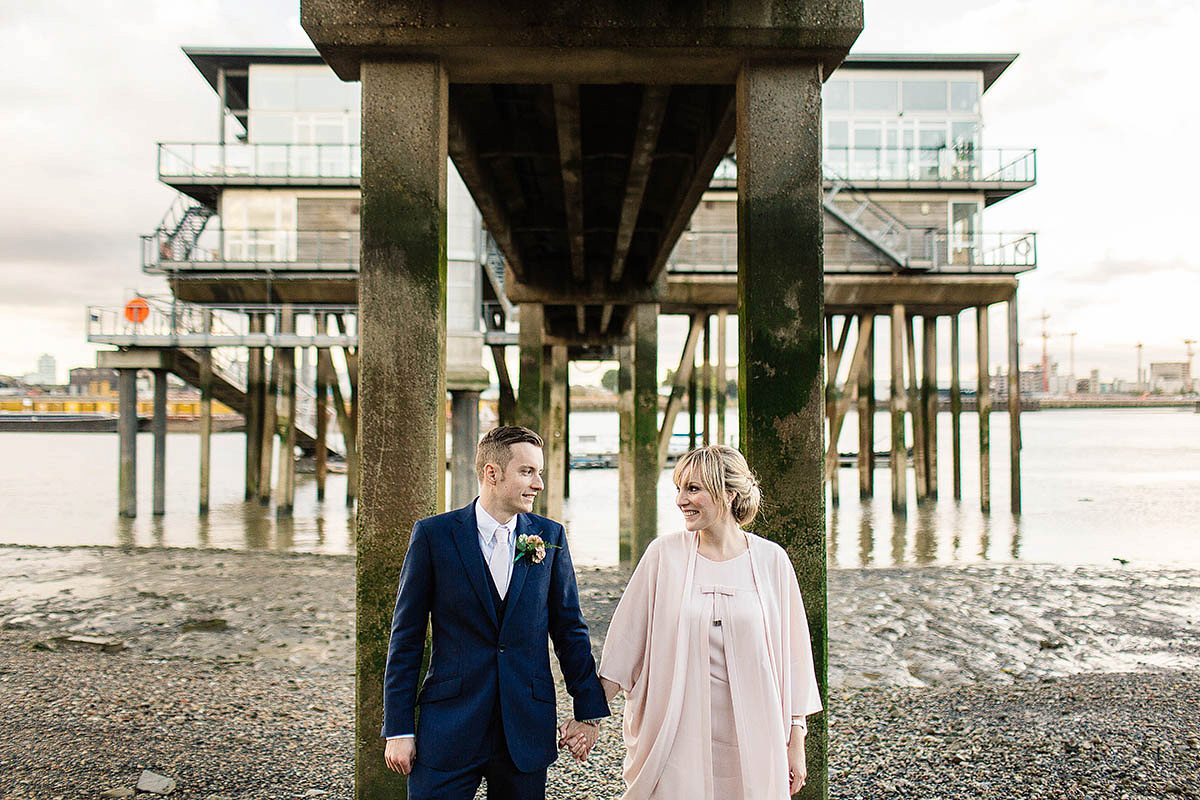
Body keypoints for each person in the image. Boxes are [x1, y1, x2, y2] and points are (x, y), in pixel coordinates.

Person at [381, 425, 610, 799]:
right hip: (449, 726)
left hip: (525, 726)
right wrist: (399, 729)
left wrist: (587, 712)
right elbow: (405, 639)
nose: (538, 483)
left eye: (539, 473)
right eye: (527, 472)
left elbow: (570, 631)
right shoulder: (434, 535)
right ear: (491, 472)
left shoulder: (550, 537)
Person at [598, 445, 822, 799]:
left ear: (729, 493)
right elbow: (626, 643)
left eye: (693, 489)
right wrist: (588, 716)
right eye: (679, 489)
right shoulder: (663, 555)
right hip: (676, 734)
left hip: (754, 737)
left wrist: (796, 741)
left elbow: (796, 661)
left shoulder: (771, 561)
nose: (680, 500)